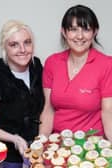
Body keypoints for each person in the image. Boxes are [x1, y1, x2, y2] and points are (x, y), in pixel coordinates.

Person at [39, 4, 112, 142]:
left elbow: (108, 112)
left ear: (95, 32)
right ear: (64, 32)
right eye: (73, 29)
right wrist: (41, 142)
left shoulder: (107, 64)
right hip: (58, 144)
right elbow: (48, 108)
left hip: (91, 146)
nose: (79, 36)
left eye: (86, 29)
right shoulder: (52, 62)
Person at [0, 20, 44, 167]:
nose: (22, 49)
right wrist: (14, 139)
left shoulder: (37, 67)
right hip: (8, 158)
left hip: (37, 151)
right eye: (14, 44)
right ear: (4, 47)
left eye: (27, 42)